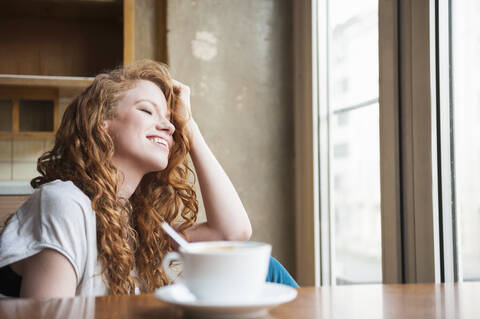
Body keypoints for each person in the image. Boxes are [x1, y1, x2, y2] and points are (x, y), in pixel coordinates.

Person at [0, 60, 296, 298]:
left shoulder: (135, 221)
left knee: (265, 269)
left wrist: (190, 127)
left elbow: (233, 232)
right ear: (101, 123)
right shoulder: (65, 203)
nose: (168, 126)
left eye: (171, 120)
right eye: (146, 110)